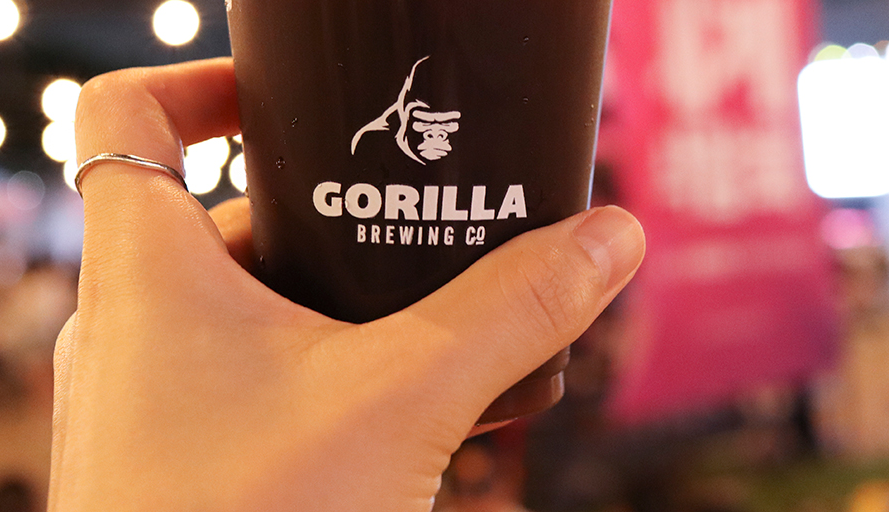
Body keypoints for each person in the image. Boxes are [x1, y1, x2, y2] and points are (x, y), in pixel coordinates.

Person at [48, 58, 645, 511]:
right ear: (401, 116)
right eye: (429, 122)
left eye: (452, 125)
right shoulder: (370, 144)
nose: (443, 135)